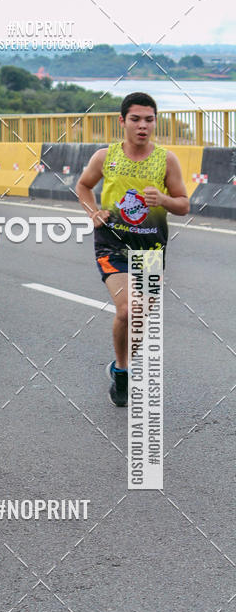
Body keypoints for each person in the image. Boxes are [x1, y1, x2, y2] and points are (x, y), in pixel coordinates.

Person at [76, 92, 189, 406]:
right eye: (136, 119)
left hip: (150, 250)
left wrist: (163, 200)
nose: (143, 126)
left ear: (155, 122)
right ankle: (124, 370)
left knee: (139, 316)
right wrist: (93, 212)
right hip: (112, 245)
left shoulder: (166, 159)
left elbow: (183, 204)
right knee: (127, 309)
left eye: (149, 119)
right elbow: (84, 185)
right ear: (122, 121)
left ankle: (120, 369)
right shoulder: (105, 156)